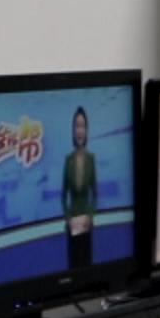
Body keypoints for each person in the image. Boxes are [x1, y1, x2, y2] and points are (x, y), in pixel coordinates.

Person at [61, 107, 98, 268]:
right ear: (73, 130)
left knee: (86, 267)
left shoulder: (91, 159)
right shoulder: (68, 159)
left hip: (86, 225)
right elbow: (63, 196)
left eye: (82, 126)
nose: (79, 130)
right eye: (77, 126)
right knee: (73, 267)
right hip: (72, 226)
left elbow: (95, 194)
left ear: (86, 130)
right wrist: (68, 218)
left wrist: (90, 215)